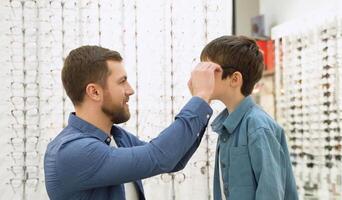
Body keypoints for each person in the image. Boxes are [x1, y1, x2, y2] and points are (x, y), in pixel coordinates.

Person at [44, 45, 221, 200]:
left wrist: (203, 101)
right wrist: (200, 98)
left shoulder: (117, 137)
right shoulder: (71, 151)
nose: (130, 90)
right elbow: (159, 156)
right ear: (94, 92)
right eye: (122, 82)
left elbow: (173, 160)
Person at [200, 36, 298, 200]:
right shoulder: (226, 126)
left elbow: (271, 193)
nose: (203, 77)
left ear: (234, 79)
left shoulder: (257, 126)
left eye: (210, 70)